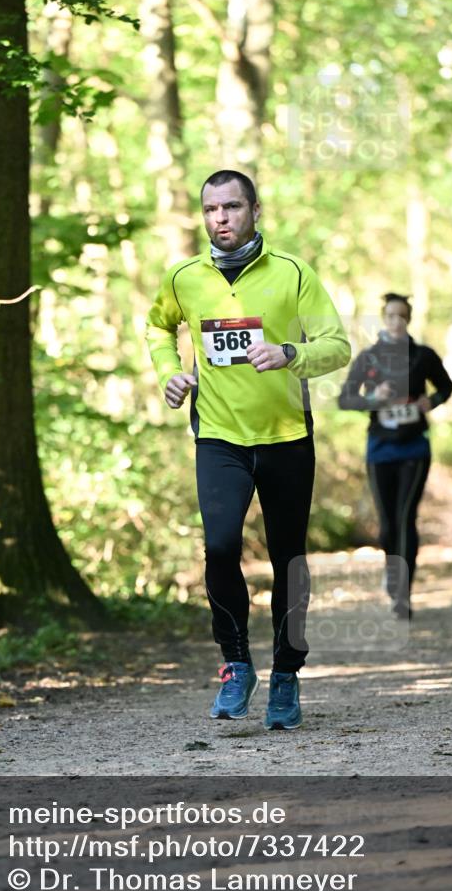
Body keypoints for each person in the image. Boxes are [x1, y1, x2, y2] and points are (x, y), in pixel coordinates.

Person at [145, 170, 351, 729]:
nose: (221, 219)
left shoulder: (292, 273)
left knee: (289, 559)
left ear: (255, 210)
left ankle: (286, 674)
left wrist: (289, 353)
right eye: (211, 210)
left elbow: (336, 345)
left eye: (232, 208)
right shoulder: (185, 277)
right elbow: (157, 328)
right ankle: (237, 666)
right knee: (219, 547)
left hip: (286, 437)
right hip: (218, 437)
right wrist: (169, 372)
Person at [338, 293, 452, 618]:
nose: (396, 321)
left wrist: (430, 402)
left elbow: (446, 387)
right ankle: (392, 574)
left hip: (415, 447)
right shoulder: (370, 358)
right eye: (390, 315)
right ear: (383, 319)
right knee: (388, 524)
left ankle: (402, 594)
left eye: (402, 316)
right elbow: (345, 399)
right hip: (380, 448)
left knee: (405, 518)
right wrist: (373, 398)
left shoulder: (423, 356)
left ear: (408, 320)